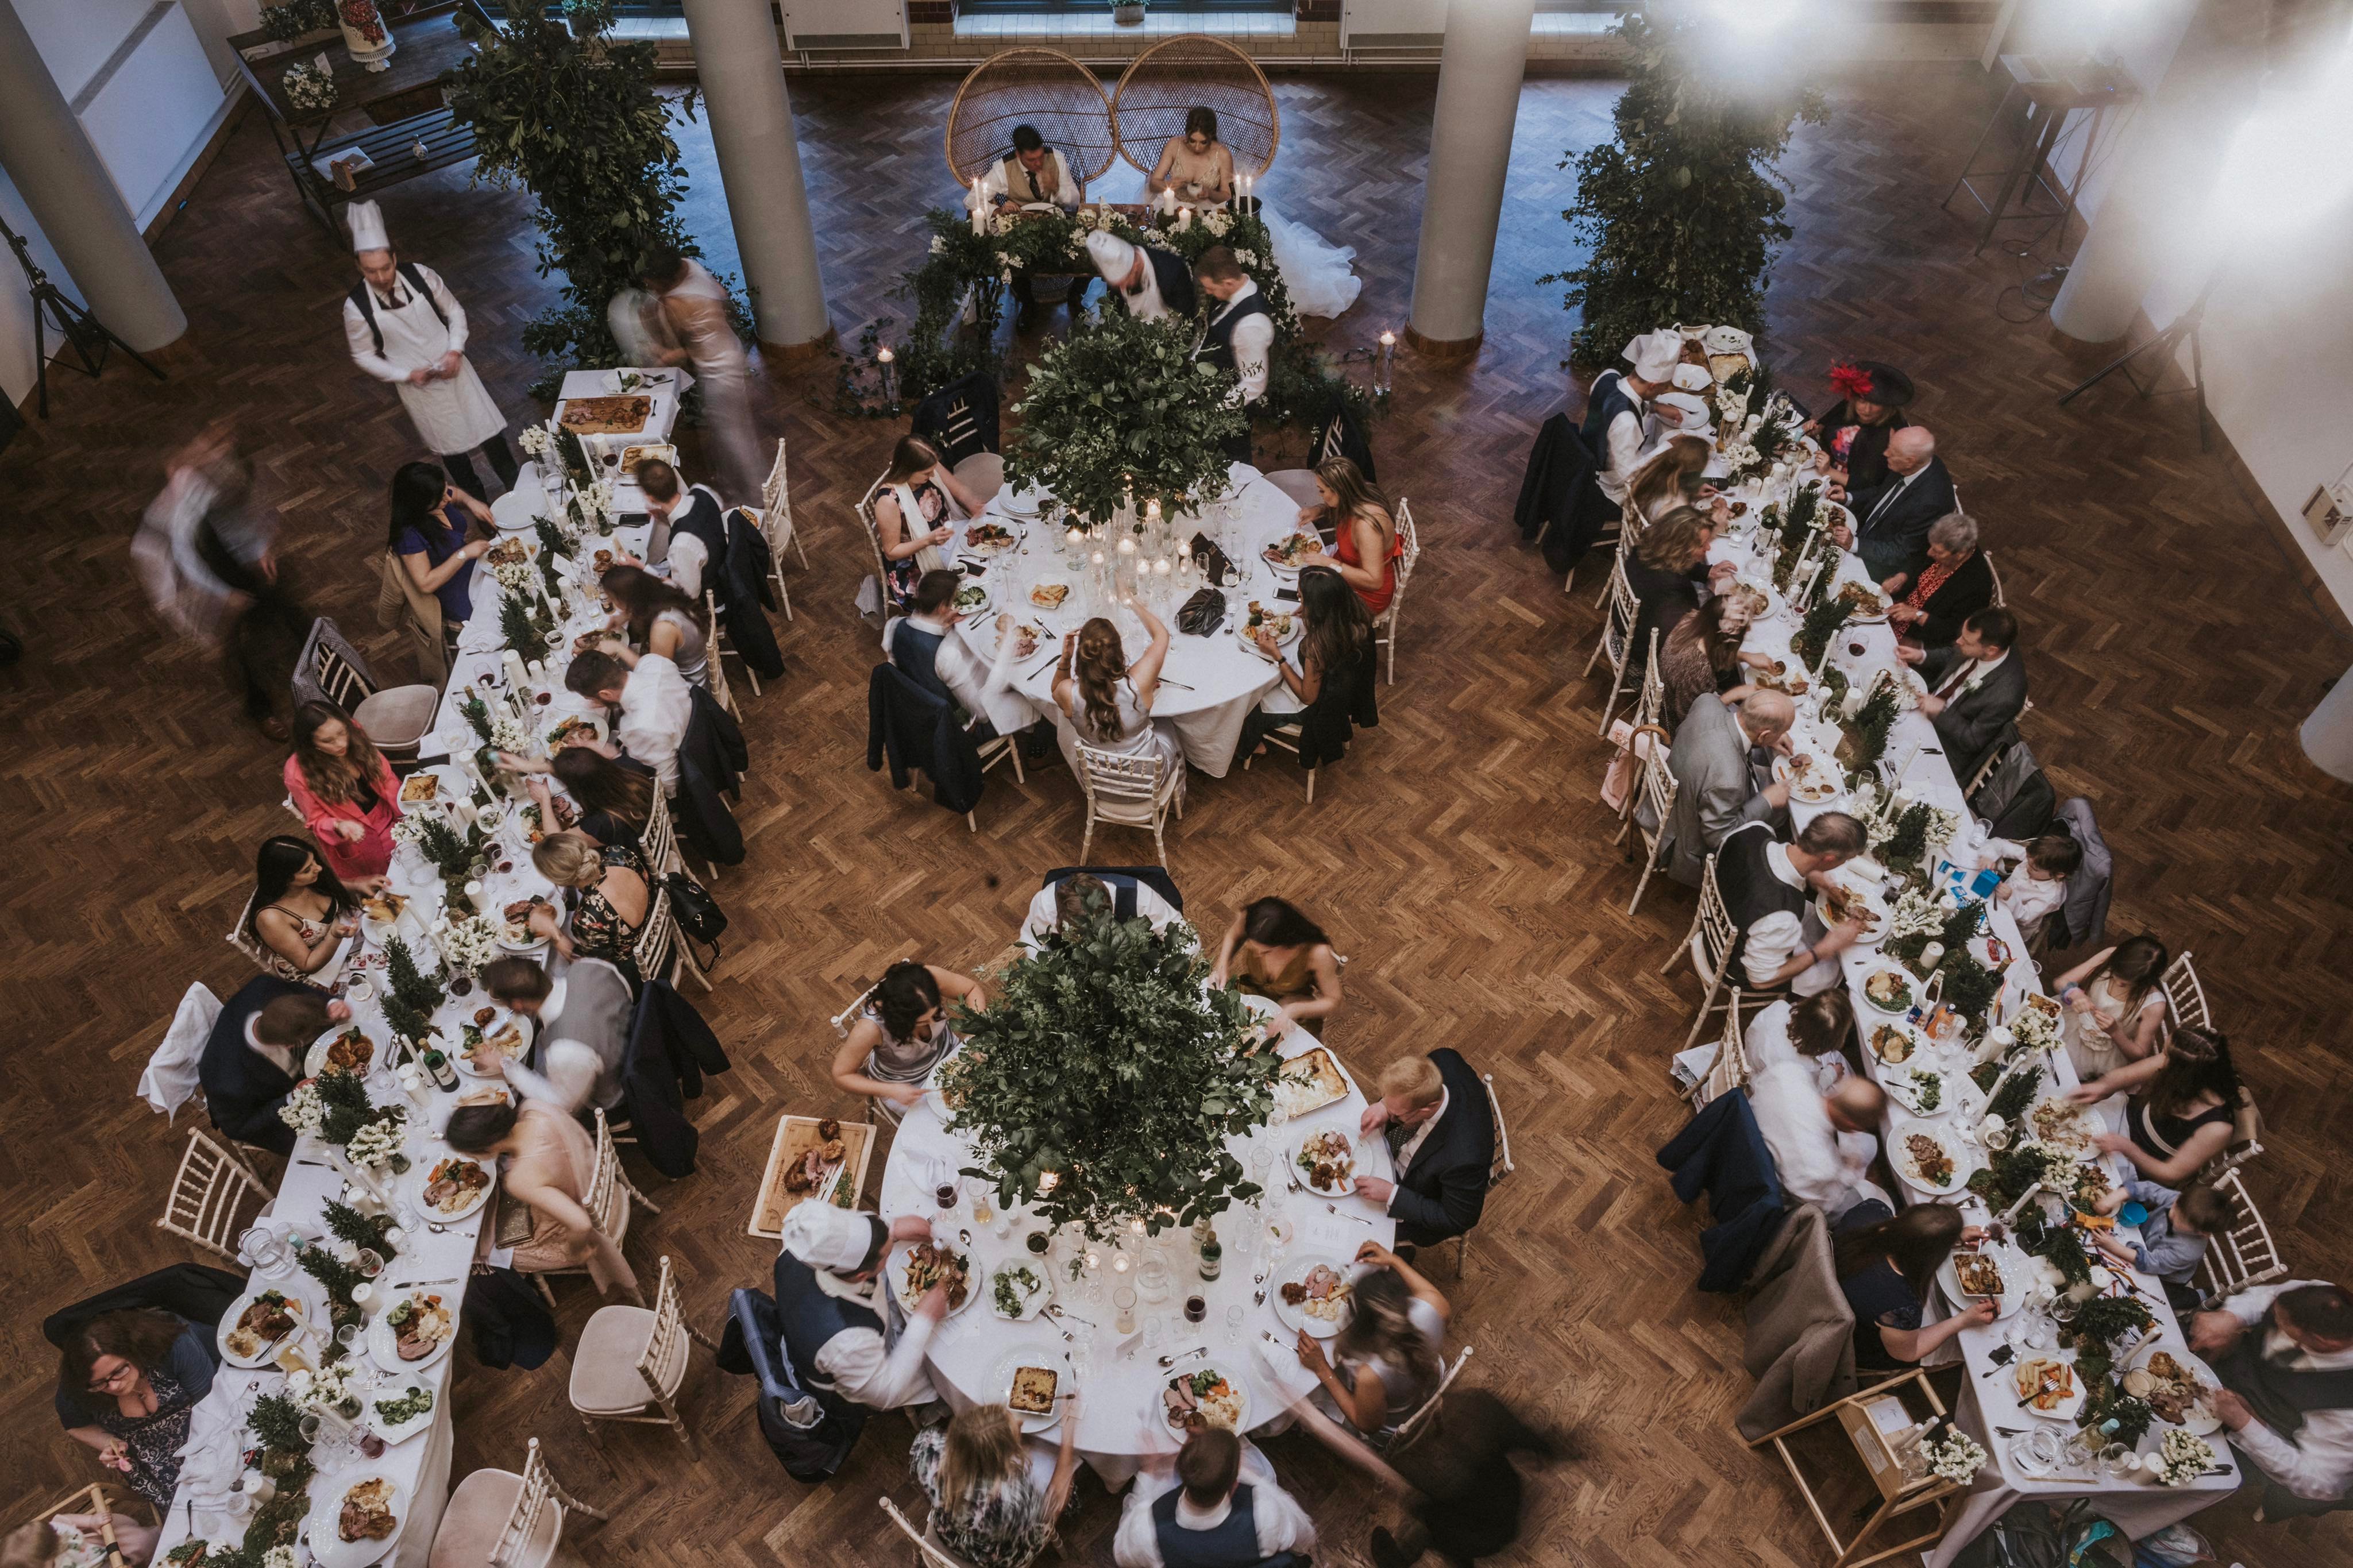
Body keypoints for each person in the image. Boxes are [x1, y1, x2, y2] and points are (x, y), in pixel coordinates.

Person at [131, 421, 311, 741]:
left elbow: (246, 518)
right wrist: (223, 593)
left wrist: (262, 549)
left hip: (222, 544)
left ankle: (320, 658)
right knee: (234, 643)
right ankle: (261, 710)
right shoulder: (190, 494)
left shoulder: (237, 479)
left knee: (282, 601)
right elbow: (184, 556)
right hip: (186, 558)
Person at [339, 200, 514, 502]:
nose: (381, 277)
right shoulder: (356, 308)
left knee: (492, 436)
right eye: (371, 272)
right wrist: (405, 374)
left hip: (456, 369)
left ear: (395, 258)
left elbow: (455, 312)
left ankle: (520, 492)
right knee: (455, 454)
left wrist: (455, 351)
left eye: (386, 267)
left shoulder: (422, 276)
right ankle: (483, 512)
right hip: (419, 390)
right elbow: (363, 355)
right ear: (358, 267)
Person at [444, 1042, 638, 1298]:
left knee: (494, 1254)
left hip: (597, 1219)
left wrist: (577, 1251)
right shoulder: (533, 1108)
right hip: (600, 1181)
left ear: (486, 1145)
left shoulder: (520, 1180)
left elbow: (579, 1223)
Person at [2189, 1280, 2353, 1510]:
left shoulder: (2347, 1408)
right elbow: (2267, 1297)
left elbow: (2320, 1482)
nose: (2274, 1322)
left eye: (2282, 1325)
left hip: (2246, 1441)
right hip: (2221, 1364)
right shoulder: (2326, 1297)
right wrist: (2232, 1318)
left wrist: (2246, 1424)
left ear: (2326, 1342)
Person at [774, 1200, 950, 1411]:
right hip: (855, 1378)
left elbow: (842, 1227)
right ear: (862, 1276)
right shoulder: (846, 1343)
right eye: (886, 1254)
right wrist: (924, 1319)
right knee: (945, 1368)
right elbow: (887, 1395)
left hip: (837, 1327)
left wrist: (892, 1228)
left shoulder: (804, 1245)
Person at [53, 1309, 219, 1508]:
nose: (114, 1387)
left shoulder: (173, 1346)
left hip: (207, 1429)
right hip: (155, 1463)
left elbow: (212, 1402)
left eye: (119, 1372)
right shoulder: (78, 1387)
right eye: (100, 1384)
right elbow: (73, 1424)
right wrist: (110, 1442)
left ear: (134, 1351)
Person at [636, 246, 761, 504]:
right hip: (732, 350)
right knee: (734, 429)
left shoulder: (675, 303)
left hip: (718, 371)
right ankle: (735, 485)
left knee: (733, 436)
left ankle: (754, 497)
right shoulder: (689, 265)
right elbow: (721, 293)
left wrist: (662, 353)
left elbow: (688, 352)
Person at [1297, 1242, 1449, 1445]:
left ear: (1362, 1323)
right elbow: (1424, 1294)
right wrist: (1394, 1260)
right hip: (1429, 1375)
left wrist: (1322, 1369)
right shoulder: (1435, 1305)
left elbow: (1368, 1424)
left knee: (1303, 1393)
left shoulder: (1370, 1374)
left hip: (1395, 1418)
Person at [1648, 688, 1797, 889]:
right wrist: (1767, 801)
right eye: (1781, 732)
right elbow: (1719, 838)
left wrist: (1770, 740)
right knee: (1787, 816)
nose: (1783, 735)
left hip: (1674, 799)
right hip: (1686, 842)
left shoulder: (1707, 702)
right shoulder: (1729, 780)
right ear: (1764, 735)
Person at [1233, 564, 1378, 770]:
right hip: (1344, 695)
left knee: (1249, 698)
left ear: (1318, 605)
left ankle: (1250, 746)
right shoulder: (1357, 616)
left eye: (1301, 597)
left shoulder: (1318, 646)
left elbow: (1308, 697)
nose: (1299, 600)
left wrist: (1278, 656)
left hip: (1316, 710)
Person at [1115, 1423, 1316, 1568]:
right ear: (1236, 1483)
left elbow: (1123, 1557)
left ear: (1179, 1471)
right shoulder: (1264, 1512)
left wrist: (1148, 1472)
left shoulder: (1147, 1528)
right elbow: (1304, 1537)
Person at [911, 1400, 1082, 1568]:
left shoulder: (928, 1449)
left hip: (946, 1531)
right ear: (1003, 1462)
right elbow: (1055, 1503)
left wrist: (1005, 1427)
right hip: (993, 1558)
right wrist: (1068, 1437)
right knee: (1066, 1474)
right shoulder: (1013, 1501)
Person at [1714, 814, 1870, 995]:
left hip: (1726, 913)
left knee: (1814, 920)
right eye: (1846, 859)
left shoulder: (1755, 829)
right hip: (1735, 964)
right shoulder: (1781, 913)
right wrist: (1825, 949)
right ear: (1829, 859)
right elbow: (1759, 980)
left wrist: (1811, 874)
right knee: (1833, 970)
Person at [1831, 1200, 1995, 1372]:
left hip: (1824, 1286)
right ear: (1929, 1258)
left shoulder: (1873, 1210)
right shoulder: (1901, 1304)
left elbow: (1906, 1233)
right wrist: (1963, 1320)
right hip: (1854, 1343)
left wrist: (1950, 1238)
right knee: (1966, 1348)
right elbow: (1908, 1353)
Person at [2070, 1024, 2242, 1187]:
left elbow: (2170, 1174)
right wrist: (2101, 1087)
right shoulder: (2186, 1066)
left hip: (2140, 1162)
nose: (2161, 1059)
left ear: (2183, 1074)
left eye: (2165, 1056)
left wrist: (2128, 1148)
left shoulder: (2218, 1127)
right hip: (2124, 1114)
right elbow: (2125, 1076)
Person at [1356, 1051, 1495, 1248]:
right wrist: (1384, 1107)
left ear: (1426, 1109)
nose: (1394, 1117)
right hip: (1395, 1155)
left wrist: (1392, 1195)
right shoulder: (1443, 1059)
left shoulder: (1465, 1158)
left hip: (1415, 1195)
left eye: (1398, 1115)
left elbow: (1458, 1220)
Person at [831, 960, 988, 1118]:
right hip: (906, 1085)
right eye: (923, 1022)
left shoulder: (927, 981)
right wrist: (890, 1090)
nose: (933, 1023)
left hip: (950, 1055)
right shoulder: (870, 1028)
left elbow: (971, 990)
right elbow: (841, 1075)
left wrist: (976, 1036)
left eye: (936, 1015)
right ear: (899, 1018)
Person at [201, 983, 343, 1156]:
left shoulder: (262, 989)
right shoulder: (229, 1083)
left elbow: (299, 991)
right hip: (273, 1107)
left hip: (305, 1070)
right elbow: (237, 1129)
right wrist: (291, 1098)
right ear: (289, 1046)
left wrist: (332, 1004)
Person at [483, 955, 634, 1113]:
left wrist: (505, 1067)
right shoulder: (589, 964)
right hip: (634, 1039)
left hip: (617, 1097)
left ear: (518, 1005)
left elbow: (563, 1106)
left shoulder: (565, 1050)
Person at [1054, 601, 1185, 782]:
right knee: (1168, 727)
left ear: (1081, 654)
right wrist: (1131, 601)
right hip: (1148, 781)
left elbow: (1055, 691)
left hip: (1098, 782)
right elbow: (1162, 635)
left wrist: (1065, 659)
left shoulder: (1068, 692)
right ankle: (1177, 793)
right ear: (1118, 651)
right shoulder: (1139, 682)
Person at [1900, 607, 2026, 783]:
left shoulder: (2007, 695)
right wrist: (1921, 656)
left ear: (1991, 651)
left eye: (1966, 641)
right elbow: (1954, 654)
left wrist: (1940, 712)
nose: (1959, 641)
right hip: (1920, 707)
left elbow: (1972, 740)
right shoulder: (1981, 640)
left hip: (1943, 746)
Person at [283, 700, 403, 885]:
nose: (341, 743)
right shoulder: (297, 774)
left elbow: (387, 778)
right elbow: (316, 821)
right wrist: (338, 826)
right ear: (310, 742)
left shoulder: (352, 730)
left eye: (341, 733)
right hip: (362, 843)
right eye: (327, 741)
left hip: (391, 817)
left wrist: (406, 814)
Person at [886, 567, 1019, 729]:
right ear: (943, 607)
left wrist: (943, 627)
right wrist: (1007, 651)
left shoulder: (893, 627)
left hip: (912, 714)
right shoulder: (947, 655)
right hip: (958, 730)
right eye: (955, 600)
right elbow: (982, 713)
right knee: (1029, 698)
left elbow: (910, 662)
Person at [980, 125, 1084, 330]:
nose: (1038, 163)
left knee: (1087, 254)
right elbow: (971, 200)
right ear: (1018, 154)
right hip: (1022, 232)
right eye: (1031, 160)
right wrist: (997, 210)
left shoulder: (1056, 158)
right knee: (1013, 257)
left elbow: (1075, 201)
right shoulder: (1003, 167)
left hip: (1056, 226)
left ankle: (1075, 294)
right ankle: (1028, 304)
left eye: (1040, 157)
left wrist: (1056, 190)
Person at [1752, 1067, 1889, 1221]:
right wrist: (1850, 1170)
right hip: (1763, 1192)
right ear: (1854, 1127)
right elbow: (1822, 1208)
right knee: (1868, 1192)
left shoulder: (1786, 1073)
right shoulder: (1822, 1169)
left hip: (1741, 1134)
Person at [528, 829, 652, 988]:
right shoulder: (617, 852)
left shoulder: (589, 918)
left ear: (557, 880)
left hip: (636, 967)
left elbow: (593, 968)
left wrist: (554, 932)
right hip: (655, 921)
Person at [387, 460, 493, 643]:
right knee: (496, 612)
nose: (448, 499)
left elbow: (456, 493)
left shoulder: (439, 496)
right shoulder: (409, 535)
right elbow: (425, 583)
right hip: (454, 589)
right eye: (441, 498)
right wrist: (464, 554)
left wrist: (471, 502)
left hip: (472, 567)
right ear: (420, 504)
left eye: (445, 491)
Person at [871, 436, 979, 612]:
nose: (932, 476)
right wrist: (928, 540)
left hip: (944, 538)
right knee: (974, 579)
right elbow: (891, 552)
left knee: (988, 553)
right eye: (926, 474)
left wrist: (974, 504)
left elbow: (958, 490)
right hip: (915, 564)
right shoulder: (888, 502)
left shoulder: (930, 466)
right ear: (908, 469)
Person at [565, 646, 693, 795]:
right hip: (696, 728)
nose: (591, 702)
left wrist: (614, 758)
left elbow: (669, 785)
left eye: (591, 699)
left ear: (605, 694)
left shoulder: (638, 727)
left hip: (687, 783)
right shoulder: (655, 663)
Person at [1840, 426, 1955, 588]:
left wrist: (1854, 544)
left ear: (1910, 461)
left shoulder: (1931, 502)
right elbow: (1882, 493)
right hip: (1860, 533)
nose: (1885, 453)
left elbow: (1900, 551)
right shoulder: (1912, 463)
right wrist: (1849, 497)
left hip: (1875, 564)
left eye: (1892, 452)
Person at [240, 834, 361, 986]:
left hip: (342, 947)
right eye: (307, 870)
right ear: (285, 879)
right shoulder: (271, 918)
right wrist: (334, 936)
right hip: (317, 978)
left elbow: (332, 886)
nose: (319, 868)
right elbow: (307, 964)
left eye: (314, 861)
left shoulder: (310, 880)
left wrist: (357, 884)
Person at [2090, 1177, 2233, 1306]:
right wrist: (2112, 1198)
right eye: (2176, 1205)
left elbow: (2148, 1262)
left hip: (2166, 1278)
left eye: (2179, 1218)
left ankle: (2201, 1295)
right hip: (2146, 1242)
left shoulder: (2189, 1250)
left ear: (2202, 1233)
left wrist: (2112, 1245)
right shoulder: (2182, 1203)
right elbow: (2148, 1189)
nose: (2173, 1211)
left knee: (2162, 1299)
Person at [1208, 897, 1343, 1031]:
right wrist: (1222, 966)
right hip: (1252, 997)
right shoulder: (1254, 921)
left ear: (1288, 942)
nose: (1257, 955)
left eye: (1266, 952)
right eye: (1252, 947)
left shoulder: (1317, 953)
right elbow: (1233, 935)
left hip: (1295, 1012)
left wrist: (1294, 1009)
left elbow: (1333, 1000)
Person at [2050, 932, 2170, 1082]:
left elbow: (2139, 1055)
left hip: (2102, 1053)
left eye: (2124, 984)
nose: (2115, 979)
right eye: (2114, 973)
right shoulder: (2111, 956)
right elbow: (2060, 982)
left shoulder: (2154, 1005)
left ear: (2144, 982)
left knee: (2058, 1074)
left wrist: (2115, 1032)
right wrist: (2075, 994)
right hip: (2072, 1023)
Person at [1626, 505, 1735, 666]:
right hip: (1651, 650)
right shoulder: (1674, 591)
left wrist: (1706, 572)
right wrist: (1720, 603)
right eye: (1702, 545)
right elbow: (1690, 636)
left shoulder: (1649, 545)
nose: (1709, 548)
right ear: (1680, 548)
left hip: (1635, 620)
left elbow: (1676, 563)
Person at [1295, 456, 1404, 617]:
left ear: (1338, 490)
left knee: (1306, 599)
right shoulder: (1359, 493)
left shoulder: (1366, 527)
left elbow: (1374, 581)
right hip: (1345, 567)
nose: (1320, 495)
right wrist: (1319, 509)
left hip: (1365, 596)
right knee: (1300, 582)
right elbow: (1339, 503)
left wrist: (1330, 563)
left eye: (1322, 491)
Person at [1584, 330, 1683, 505]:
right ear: (1653, 385)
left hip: (1586, 456)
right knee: (1672, 493)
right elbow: (1625, 476)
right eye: (1664, 387)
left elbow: (1613, 401)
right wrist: (1669, 447)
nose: (1665, 391)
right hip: (1606, 489)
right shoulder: (1627, 423)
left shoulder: (1607, 376)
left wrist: (1656, 407)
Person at [1194, 247, 1272, 464]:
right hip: (1211, 389)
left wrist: (1214, 406)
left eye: (1211, 288)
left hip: (1229, 410)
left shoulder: (1251, 325)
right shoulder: (1236, 291)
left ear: (1228, 283)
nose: (1208, 293)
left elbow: (1254, 383)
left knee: (1234, 460)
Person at [505, 743, 657, 851]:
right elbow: (583, 772)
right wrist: (532, 767)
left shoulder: (602, 823)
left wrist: (544, 799)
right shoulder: (627, 766)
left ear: (579, 790)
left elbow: (556, 844)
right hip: (646, 830)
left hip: (632, 860)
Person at [620, 457, 728, 605]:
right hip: (721, 565)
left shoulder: (682, 545)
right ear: (675, 481)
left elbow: (687, 595)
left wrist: (641, 568)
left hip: (711, 602)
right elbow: (711, 520)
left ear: (650, 498)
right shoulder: (702, 490)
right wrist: (666, 518)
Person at [1806, 360, 1915, 498]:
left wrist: (1830, 471)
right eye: (1862, 401)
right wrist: (1815, 428)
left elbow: (1871, 485)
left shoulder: (1891, 437)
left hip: (1842, 493)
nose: (1866, 410)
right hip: (1817, 469)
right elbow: (1825, 426)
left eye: (1875, 404)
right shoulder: (1849, 406)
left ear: (1887, 406)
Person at [1884, 513, 1993, 647]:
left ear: (1960, 554)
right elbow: (1917, 559)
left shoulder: (1977, 586)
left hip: (1916, 638)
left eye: (1938, 552)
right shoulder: (1940, 540)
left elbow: (1956, 631)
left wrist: (1918, 615)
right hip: (1894, 609)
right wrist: (1903, 576)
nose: (1930, 553)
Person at [1660, 592, 1767, 725]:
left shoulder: (1691, 621)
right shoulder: (1699, 671)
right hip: (1672, 722)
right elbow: (1692, 718)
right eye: (1746, 628)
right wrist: (1735, 694)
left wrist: (1745, 656)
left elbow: (1714, 647)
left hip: (1669, 692)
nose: (1750, 630)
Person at [603, 563, 711, 689]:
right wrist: (626, 615)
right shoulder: (664, 589)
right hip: (687, 664)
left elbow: (656, 677)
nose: (612, 603)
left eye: (613, 599)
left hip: (690, 688)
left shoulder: (664, 628)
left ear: (629, 600)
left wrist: (618, 648)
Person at [1020, 871, 1183, 949]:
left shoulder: (1142, 897)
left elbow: (1181, 936)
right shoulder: (1045, 904)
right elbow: (1032, 937)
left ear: (1110, 908)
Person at [1978, 832, 2082, 951]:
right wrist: (1988, 856)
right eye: (2028, 861)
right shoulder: (2037, 859)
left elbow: (2024, 918)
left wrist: (2010, 897)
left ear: (2059, 874)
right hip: (1993, 904)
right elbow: (1999, 843)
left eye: (2034, 869)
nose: (2027, 867)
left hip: (2011, 931)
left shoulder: (2052, 896)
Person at [1743, 988, 1858, 1095]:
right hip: (1762, 1088)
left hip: (1747, 1058)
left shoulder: (1780, 1007)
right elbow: (1807, 1095)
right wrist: (1831, 1074)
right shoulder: (1804, 1068)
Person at [1084, 231, 1197, 324]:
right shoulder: (1117, 283)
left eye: (1125, 280)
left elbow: (1187, 317)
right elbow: (1118, 310)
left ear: (1136, 266)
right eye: (1118, 284)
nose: (1122, 287)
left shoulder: (1173, 271)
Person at [1623, 434, 1724, 531]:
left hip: (1648, 525)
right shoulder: (1677, 506)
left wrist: (1692, 497)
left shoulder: (1654, 475)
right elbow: (1687, 542)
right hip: (1659, 540)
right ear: (1694, 475)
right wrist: (1716, 525)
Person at [2, 1512, 158, 1567]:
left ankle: (159, 1542)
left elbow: (66, 1519)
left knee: (142, 1541)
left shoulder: (55, 1532)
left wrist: (90, 1521)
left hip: (96, 1546)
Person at [1148, 107, 1235, 206]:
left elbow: (1227, 196)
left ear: (1211, 136)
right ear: (1187, 134)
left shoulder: (1223, 155)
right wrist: (1169, 185)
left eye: (1204, 142)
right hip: (1173, 203)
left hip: (1208, 208)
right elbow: (1153, 184)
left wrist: (1210, 193)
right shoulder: (1174, 145)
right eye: (1192, 141)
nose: (1197, 148)